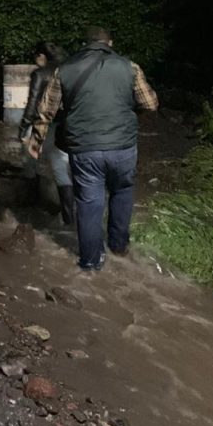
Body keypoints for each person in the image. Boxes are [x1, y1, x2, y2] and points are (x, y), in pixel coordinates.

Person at [29, 27, 159, 271]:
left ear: (86, 44)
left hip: (84, 148)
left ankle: (91, 262)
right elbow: (150, 104)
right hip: (122, 147)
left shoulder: (64, 70)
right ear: (109, 42)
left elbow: (46, 110)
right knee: (122, 191)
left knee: (89, 202)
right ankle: (119, 247)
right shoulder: (129, 67)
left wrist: (36, 142)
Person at [19, 42, 74, 228]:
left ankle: (31, 202)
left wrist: (23, 128)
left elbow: (33, 103)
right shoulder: (68, 70)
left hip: (42, 125)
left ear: (41, 56)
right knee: (60, 166)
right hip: (64, 126)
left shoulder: (39, 73)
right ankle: (68, 215)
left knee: (30, 161)